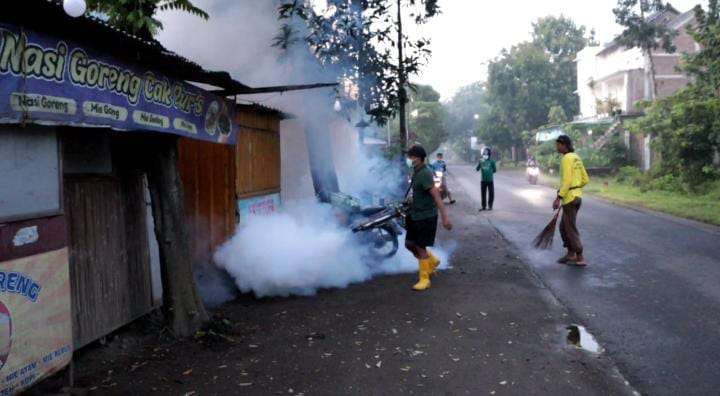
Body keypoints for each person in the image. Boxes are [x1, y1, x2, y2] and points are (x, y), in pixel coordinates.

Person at [405, 145, 453, 291]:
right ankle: (432, 261)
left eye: (412, 157)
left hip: (426, 216)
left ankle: (425, 279)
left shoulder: (425, 173)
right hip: (415, 214)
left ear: (419, 158)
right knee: (409, 244)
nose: (410, 159)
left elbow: (436, 196)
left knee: (420, 247)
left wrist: (445, 217)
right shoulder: (416, 171)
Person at [553, 135, 590, 266]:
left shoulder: (566, 159)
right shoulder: (576, 157)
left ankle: (580, 256)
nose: (557, 147)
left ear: (564, 145)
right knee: (564, 226)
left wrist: (559, 197)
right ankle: (570, 254)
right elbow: (585, 179)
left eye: (558, 145)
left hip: (569, 198)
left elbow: (567, 180)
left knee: (570, 228)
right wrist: (577, 188)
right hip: (577, 196)